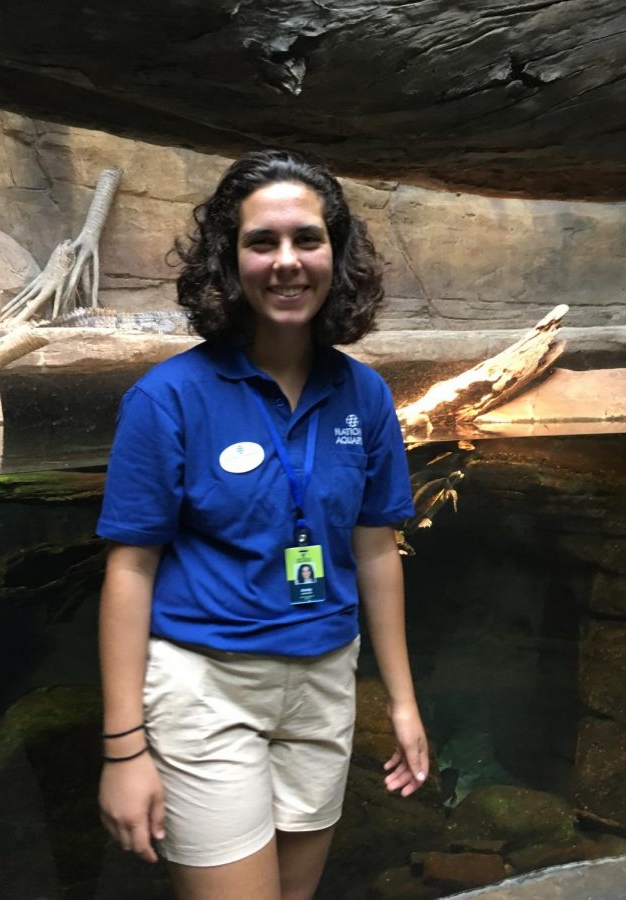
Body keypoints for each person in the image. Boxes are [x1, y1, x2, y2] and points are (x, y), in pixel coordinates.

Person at [96, 149, 428, 900]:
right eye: (261, 242)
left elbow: (376, 549)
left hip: (323, 681)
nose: (286, 262)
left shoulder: (365, 396)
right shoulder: (168, 397)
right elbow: (130, 567)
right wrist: (123, 749)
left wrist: (402, 703)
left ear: (335, 255)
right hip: (205, 687)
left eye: (307, 239)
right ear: (229, 258)